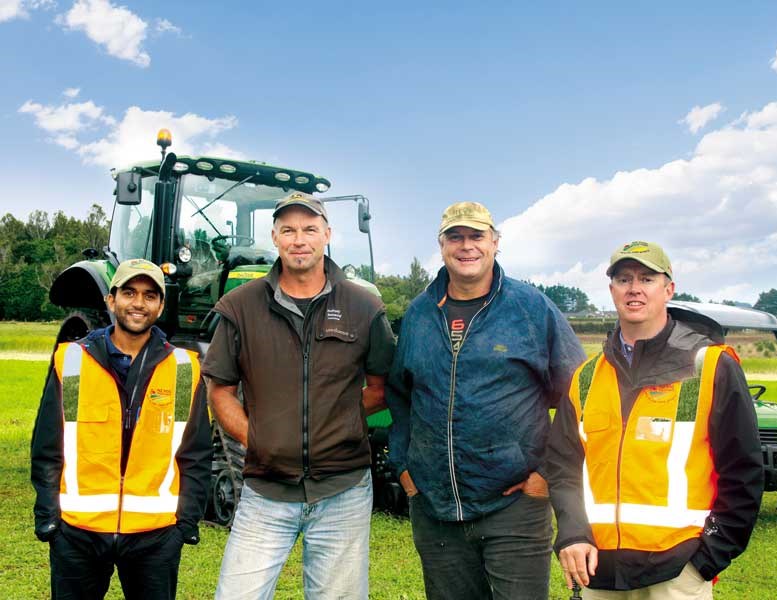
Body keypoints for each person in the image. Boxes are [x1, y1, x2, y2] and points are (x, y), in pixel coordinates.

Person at [386, 201, 586, 600]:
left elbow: (580, 396)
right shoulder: (420, 314)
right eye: (455, 237)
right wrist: (405, 467)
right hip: (435, 508)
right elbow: (400, 396)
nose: (466, 246)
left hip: (514, 504)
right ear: (441, 246)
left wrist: (546, 474)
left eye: (476, 236)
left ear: (495, 243)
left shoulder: (531, 309)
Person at [204, 191, 396, 599]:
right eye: (288, 230)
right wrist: (257, 439)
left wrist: (338, 422)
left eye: (310, 229)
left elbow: (380, 389)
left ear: (327, 234)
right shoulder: (240, 306)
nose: (299, 239)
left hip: (343, 490)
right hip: (265, 491)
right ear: (274, 237)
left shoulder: (365, 307)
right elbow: (220, 389)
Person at [547, 241, 764, 599]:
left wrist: (708, 558)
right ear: (612, 290)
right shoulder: (585, 378)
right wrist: (572, 534)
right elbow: (562, 466)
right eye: (623, 278)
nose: (634, 288)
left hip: (677, 573)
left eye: (647, 278)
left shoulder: (711, 367)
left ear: (669, 289)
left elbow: (744, 472)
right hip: (599, 572)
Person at [31, 258, 212, 600]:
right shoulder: (71, 361)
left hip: (155, 536)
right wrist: (49, 516)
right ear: (110, 300)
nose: (138, 303)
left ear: (160, 305)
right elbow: (47, 445)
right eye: (129, 292)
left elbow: (197, 453)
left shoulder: (184, 368)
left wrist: (185, 523)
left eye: (149, 295)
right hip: (77, 533)